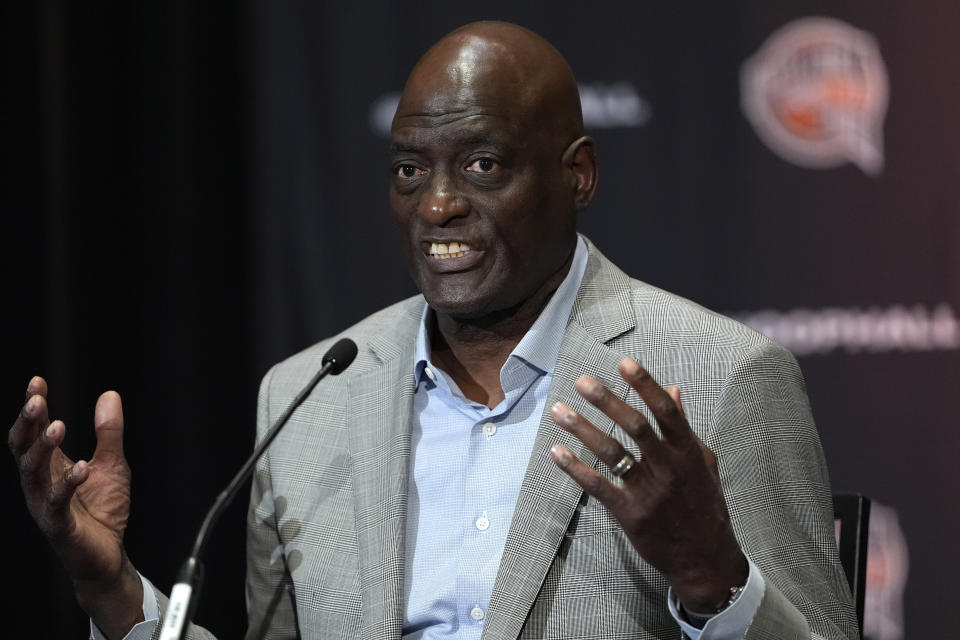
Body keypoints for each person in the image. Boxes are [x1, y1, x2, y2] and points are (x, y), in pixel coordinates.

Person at [9, 20, 858, 640]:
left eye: (482, 165)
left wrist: (715, 580)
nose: (438, 205)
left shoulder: (719, 376)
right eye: (411, 170)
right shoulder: (311, 395)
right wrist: (112, 588)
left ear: (579, 176)